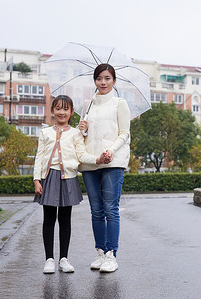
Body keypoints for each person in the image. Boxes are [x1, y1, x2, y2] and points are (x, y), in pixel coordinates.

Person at [33, 95, 110, 274]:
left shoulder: (76, 133)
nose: (61, 112)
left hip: (68, 178)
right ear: (52, 110)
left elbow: (82, 155)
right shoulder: (45, 133)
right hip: (49, 177)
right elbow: (39, 156)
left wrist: (97, 159)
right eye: (58, 108)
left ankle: (64, 259)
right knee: (49, 219)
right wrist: (37, 179)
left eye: (65, 109)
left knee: (65, 220)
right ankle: (49, 259)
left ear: (72, 112)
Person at [78, 63, 130, 273]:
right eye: (99, 78)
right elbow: (81, 136)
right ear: (95, 81)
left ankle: (111, 255)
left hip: (112, 161)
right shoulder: (87, 105)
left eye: (107, 78)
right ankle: (100, 252)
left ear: (114, 81)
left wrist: (110, 151)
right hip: (91, 162)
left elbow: (125, 133)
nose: (103, 82)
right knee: (96, 210)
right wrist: (81, 129)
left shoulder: (120, 103)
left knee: (111, 209)